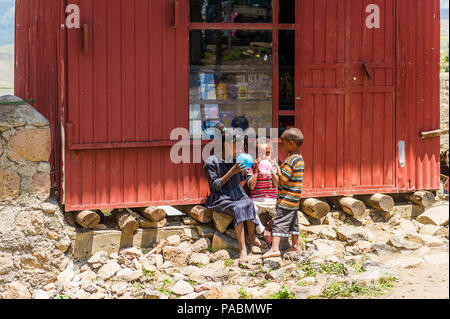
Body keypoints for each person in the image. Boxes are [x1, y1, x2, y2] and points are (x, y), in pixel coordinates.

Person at [204, 128, 266, 261]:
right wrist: (232, 171)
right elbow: (215, 186)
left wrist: (244, 172)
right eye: (236, 145)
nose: (240, 149)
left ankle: (251, 237)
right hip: (221, 197)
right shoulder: (212, 161)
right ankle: (242, 248)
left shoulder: (237, 159)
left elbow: (244, 180)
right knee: (238, 208)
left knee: (248, 203)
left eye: (241, 145)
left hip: (237, 193)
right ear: (225, 144)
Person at [261, 128, 305, 259]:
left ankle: (274, 248)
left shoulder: (290, 160)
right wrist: (278, 166)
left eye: (283, 143)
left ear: (291, 143)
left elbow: (281, 182)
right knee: (293, 222)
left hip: (285, 200)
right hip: (294, 199)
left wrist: (272, 170)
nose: (282, 146)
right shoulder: (299, 159)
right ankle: (296, 245)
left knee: (278, 222)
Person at [247, 138, 280, 245]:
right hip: (256, 200)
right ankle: (262, 230)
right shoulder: (251, 166)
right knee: (250, 209)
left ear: (271, 154)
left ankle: (275, 235)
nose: (264, 156)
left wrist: (271, 169)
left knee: (282, 212)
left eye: (267, 153)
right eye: (261, 153)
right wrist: (256, 169)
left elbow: (277, 184)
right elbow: (251, 186)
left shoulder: (274, 166)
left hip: (272, 200)